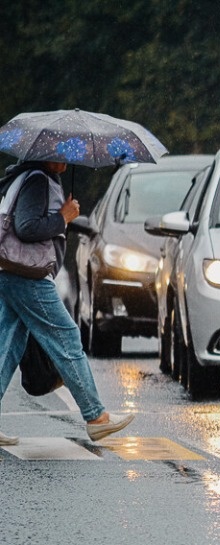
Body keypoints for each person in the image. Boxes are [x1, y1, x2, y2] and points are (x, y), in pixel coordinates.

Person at [0, 160, 133, 446]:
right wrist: (63, 217)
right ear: (42, 155)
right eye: (59, 155)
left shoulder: (30, 177)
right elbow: (26, 227)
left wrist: (62, 216)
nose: (66, 160)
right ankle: (95, 416)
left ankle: (95, 415)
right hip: (28, 275)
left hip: (13, 272)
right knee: (67, 336)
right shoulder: (37, 180)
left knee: (8, 346)